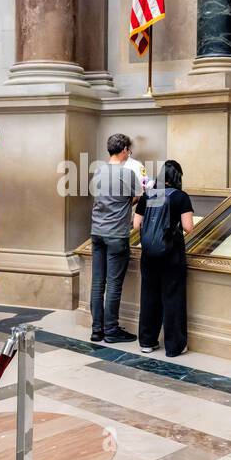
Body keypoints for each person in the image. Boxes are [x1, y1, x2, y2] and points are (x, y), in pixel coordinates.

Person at [134, 159, 194, 357]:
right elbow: (188, 227)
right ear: (178, 177)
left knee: (149, 296)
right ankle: (174, 346)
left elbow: (136, 225)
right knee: (172, 297)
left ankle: (147, 341)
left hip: (149, 253)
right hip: (171, 254)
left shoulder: (149, 195)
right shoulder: (180, 197)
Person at [89, 133, 142, 344]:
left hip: (97, 232)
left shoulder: (98, 171)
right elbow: (138, 196)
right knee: (113, 284)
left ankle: (96, 330)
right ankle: (111, 330)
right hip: (116, 234)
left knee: (97, 283)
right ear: (123, 150)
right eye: (128, 150)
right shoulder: (127, 174)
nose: (129, 153)